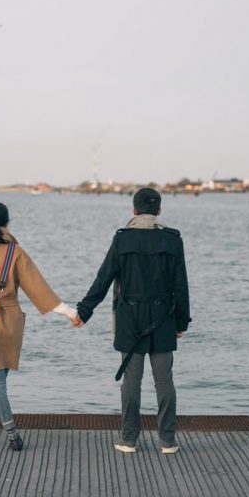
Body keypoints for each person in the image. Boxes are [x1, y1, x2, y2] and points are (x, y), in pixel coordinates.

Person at [0, 201, 77, 450]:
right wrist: (70, 312)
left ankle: (12, 434)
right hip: (11, 322)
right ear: (7, 223)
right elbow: (39, 289)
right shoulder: (15, 252)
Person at [72, 187, 191, 454]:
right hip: (163, 318)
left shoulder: (122, 240)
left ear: (134, 210)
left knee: (131, 381)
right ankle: (168, 441)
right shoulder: (173, 240)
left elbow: (102, 280)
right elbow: (181, 286)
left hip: (130, 319)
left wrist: (84, 311)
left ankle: (128, 440)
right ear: (159, 210)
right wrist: (182, 322)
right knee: (164, 381)